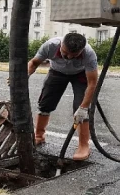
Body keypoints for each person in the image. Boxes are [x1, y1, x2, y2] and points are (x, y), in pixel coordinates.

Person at [28, 33, 98, 161]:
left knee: (81, 108)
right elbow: (33, 63)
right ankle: (38, 136)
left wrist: (83, 108)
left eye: (74, 55)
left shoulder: (89, 54)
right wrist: (22, 77)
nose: (69, 57)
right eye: (66, 53)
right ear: (61, 45)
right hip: (57, 72)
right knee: (45, 103)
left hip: (80, 74)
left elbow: (92, 83)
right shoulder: (50, 46)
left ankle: (83, 146)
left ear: (81, 50)